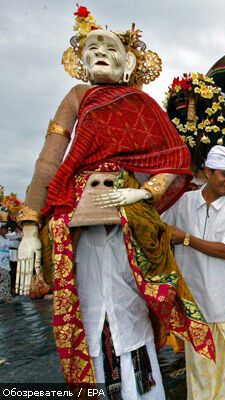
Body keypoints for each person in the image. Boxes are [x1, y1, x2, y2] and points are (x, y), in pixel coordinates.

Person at [15, 6, 214, 392]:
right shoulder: (77, 96)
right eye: (91, 47)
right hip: (77, 216)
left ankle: (142, 388)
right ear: (81, 61)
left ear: (129, 61)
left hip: (131, 219)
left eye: (110, 46)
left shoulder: (142, 103)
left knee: (132, 306)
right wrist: (28, 228)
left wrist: (144, 191)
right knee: (86, 309)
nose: (99, 51)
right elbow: (49, 160)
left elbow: (174, 159)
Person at [161, 146, 225, 399]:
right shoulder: (182, 202)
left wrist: (187, 238)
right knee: (201, 375)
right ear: (207, 171)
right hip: (193, 304)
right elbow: (159, 231)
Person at [0, 221, 11, 303]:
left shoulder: (6, 238)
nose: (6, 230)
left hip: (5, 263)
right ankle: (4, 298)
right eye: (4, 229)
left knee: (5, 280)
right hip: (1, 264)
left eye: (6, 229)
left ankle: (6, 297)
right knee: (5, 280)